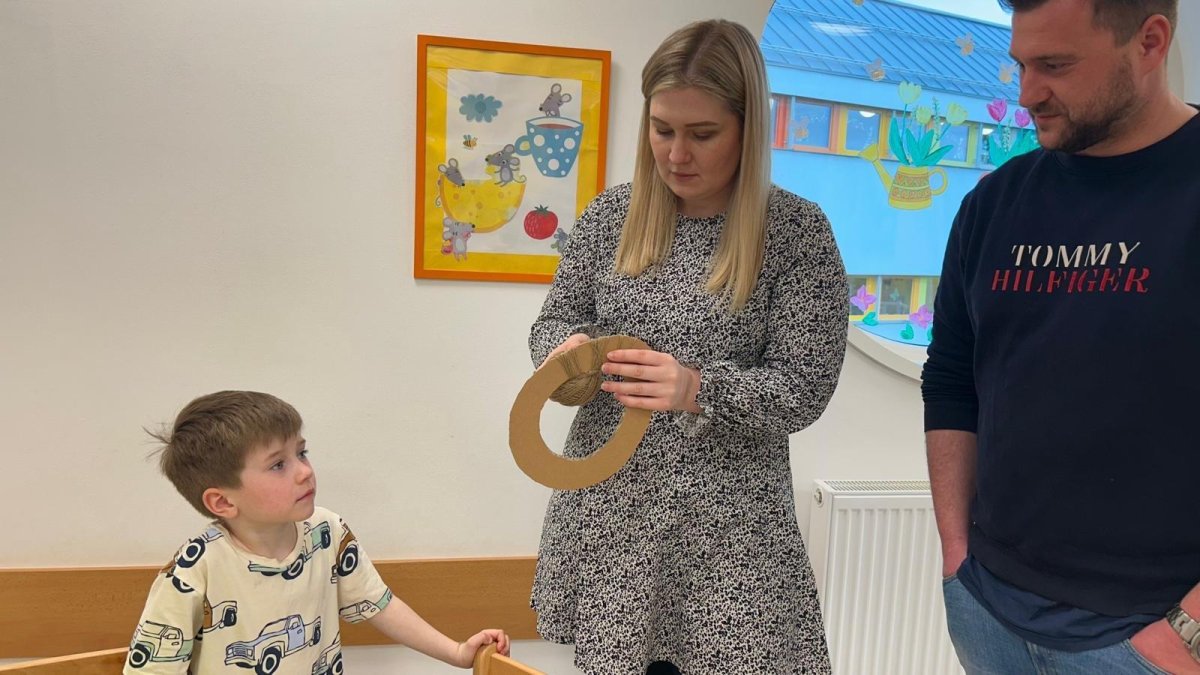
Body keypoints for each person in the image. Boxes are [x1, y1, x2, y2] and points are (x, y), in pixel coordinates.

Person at [527, 18, 847, 675]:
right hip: (613, 517)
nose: (676, 154)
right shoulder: (612, 216)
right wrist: (563, 353)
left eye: (702, 134)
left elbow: (804, 388)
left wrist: (697, 388)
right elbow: (555, 318)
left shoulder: (796, 233)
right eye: (661, 129)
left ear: (747, 129)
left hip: (727, 537)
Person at [922, 0, 1200, 672]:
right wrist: (957, 556)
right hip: (989, 611)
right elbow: (952, 379)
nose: (1028, 93)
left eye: (1055, 65)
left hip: (1152, 636)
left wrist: (1187, 630)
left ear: (1150, 42)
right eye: (1021, 64)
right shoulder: (993, 204)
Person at [124, 390, 509, 673]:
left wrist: (456, 652)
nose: (305, 471)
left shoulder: (327, 532)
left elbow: (379, 604)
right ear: (222, 502)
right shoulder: (195, 569)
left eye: (302, 453)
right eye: (278, 465)